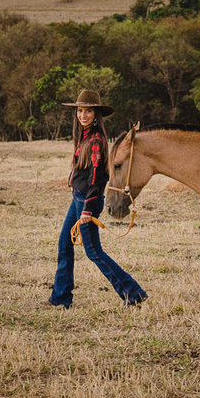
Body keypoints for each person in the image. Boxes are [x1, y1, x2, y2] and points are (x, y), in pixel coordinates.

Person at [44, 90, 147, 308]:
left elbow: (95, 179)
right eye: (80, 111)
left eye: (88, 111)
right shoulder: (84, 136)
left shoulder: (96, 141)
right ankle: (61, 298)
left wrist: (87, 210)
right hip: (78, 198)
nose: (83, 115)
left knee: (93, 252)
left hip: (87, 201)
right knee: (65, 245)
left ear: (95, 114)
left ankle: (133, 293)